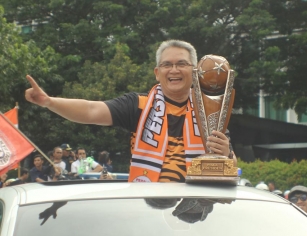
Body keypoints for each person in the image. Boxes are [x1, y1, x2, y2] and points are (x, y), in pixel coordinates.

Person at [25, 39, 234, 183]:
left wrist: (226, 154)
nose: (174, 70)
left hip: (197, 210)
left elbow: (231, 167)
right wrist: (49, 102)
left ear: (195, 71)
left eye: (182, 64)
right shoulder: (138, 105)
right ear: (157, 73)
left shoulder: (210, 110)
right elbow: (90, 110)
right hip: (149, 209)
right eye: (167, 65)